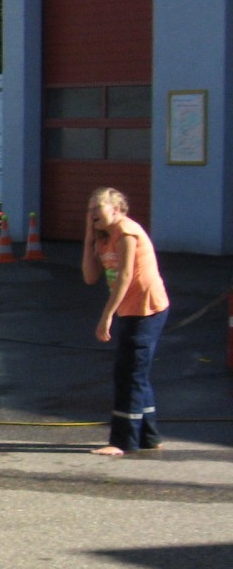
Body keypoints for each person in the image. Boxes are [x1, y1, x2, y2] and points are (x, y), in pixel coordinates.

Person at [82, 186, 171, 456]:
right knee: (135, 372)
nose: (92, 213)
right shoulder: (103, 236)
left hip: (146, 309)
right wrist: (89, 237)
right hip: (129, 310)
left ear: (116, 209)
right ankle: (149, 436)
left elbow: (125, 276)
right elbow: (90, 277)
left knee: (129, 373)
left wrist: (106, 316)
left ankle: (123, 441)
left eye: (97, 207)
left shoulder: (126, 231)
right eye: (89, 209)